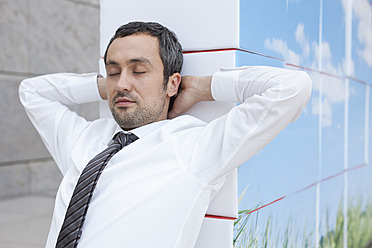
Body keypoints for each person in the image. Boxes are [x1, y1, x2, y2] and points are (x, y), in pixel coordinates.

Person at [19, 21, 312, 248]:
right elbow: (31, 92)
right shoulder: (84, 137)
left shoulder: (194, 148)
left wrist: (203, 88)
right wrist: (105, 85)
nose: (122, 83)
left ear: (172, 84)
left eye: (138, 71)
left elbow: (293, 88)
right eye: (114, 71)